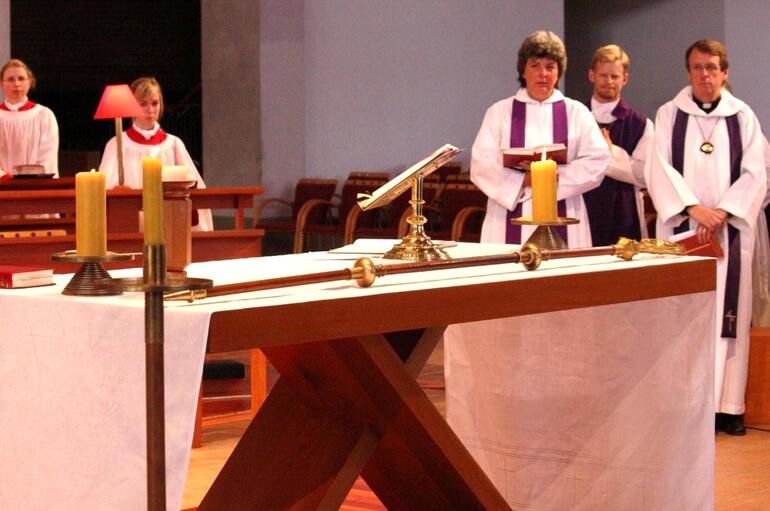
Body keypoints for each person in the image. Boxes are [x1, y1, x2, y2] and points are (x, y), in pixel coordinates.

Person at [646, 39, 767, 435]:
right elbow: (657, 169)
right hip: (683, 231)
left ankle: (728, 407)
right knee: (685, 317)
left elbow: (756, 173)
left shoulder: (743, 116)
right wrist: (695, 209)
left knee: (729, 318)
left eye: (712, 67)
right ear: (688, 72)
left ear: (725, 72)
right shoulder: (668, 115)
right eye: (697, 68)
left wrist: (724, 212)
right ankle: (686, 409)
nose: (704, 75)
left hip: (730, 234)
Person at [470, 30, 609, 248]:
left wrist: (549, 179)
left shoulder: (577, 112)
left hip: (564, 209)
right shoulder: (499, 112)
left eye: (550, 66)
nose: (542, 73)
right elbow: (481, 165)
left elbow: (597, 161)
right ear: (523, 70)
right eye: (535, 65)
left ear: (559, 72)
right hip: (508, 214)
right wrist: (522, 181)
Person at [98, 76, 213, 231]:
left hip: (168, 220)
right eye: (143, 104)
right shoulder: (117, 144)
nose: (150, 110)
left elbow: (194, 185)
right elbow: (103, 188)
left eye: (154, 103)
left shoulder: (173, 144)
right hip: (132, 221)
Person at [583, 44, 654, 245]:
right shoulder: (576, 117)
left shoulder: (640, 124)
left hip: (624, 213)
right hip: (583, 210)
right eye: (603, 75)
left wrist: (609, 152)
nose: (609, 81)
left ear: (625, 79)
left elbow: (643, 174)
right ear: (591, 75)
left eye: (615, 76)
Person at [0, 58, 59, 178]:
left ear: (30, 82)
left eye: (21, 79)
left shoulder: (44, 115)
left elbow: (48, 156)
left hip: (35, 185)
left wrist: (31, 178)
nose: (16, 84)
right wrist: (5, 177)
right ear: (1, 84)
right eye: (11, 79)